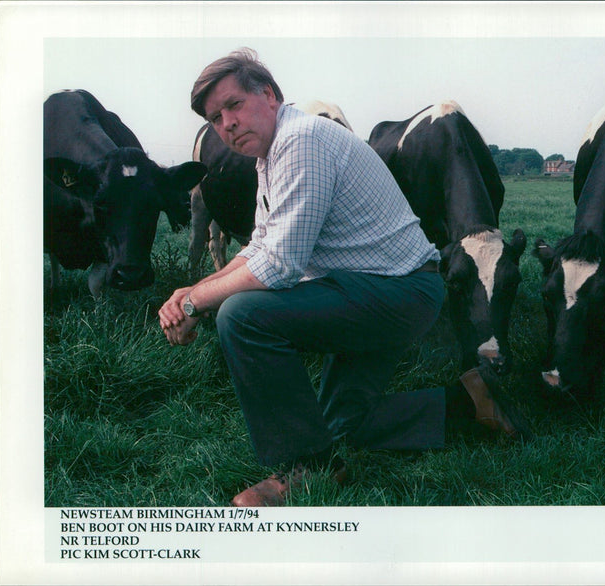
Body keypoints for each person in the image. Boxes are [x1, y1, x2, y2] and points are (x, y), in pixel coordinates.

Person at [158, 48, 517, 507]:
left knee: (243, 316)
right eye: (214, 117)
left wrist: (194, 303)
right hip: (378, 290)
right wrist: (191, 289)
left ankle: (304, 469)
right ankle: (471, 402)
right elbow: (259, 245)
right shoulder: (271, 155)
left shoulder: (301, 139)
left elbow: (279, 266)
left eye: (234, 105)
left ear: (268, 94)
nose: (225, 123)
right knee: (333, 427)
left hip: (394, 292)